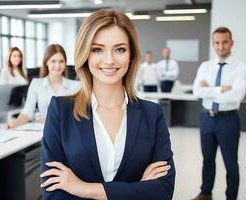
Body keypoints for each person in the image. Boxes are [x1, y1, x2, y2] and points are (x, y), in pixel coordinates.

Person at [40, 9, 175, 200]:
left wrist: (83, 188)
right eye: (97, 49)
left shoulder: (152, 114)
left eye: (120, 49)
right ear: (85, 54)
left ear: (131, 55)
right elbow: (53, 193)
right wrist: (137, 189)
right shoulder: (61, 111)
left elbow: (163, 191)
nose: (109, 60)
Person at [192, 27, 246, 200]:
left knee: (231, 164)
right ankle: (205, 193)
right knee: (207, 160)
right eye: (217, 42)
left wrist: (208, 89)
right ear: (213, 44)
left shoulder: (240, 68)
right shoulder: (206, 66)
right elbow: (196, 92)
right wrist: (221, 89)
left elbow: (237, 95)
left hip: (228, 120)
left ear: (231, 43)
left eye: (224, 42)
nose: (221, 47)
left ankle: (231, 197)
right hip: (206, 117)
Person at [7, 44, 80, 129]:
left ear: (65, 63)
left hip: (67, 130)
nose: (57, 65)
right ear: (46, 62)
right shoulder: (36, 84)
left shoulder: (76, 86)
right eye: (53, 61)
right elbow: (27, 112)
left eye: (61, 61)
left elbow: (78, 115)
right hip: (43, 131)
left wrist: (51, 120)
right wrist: (14, 124)